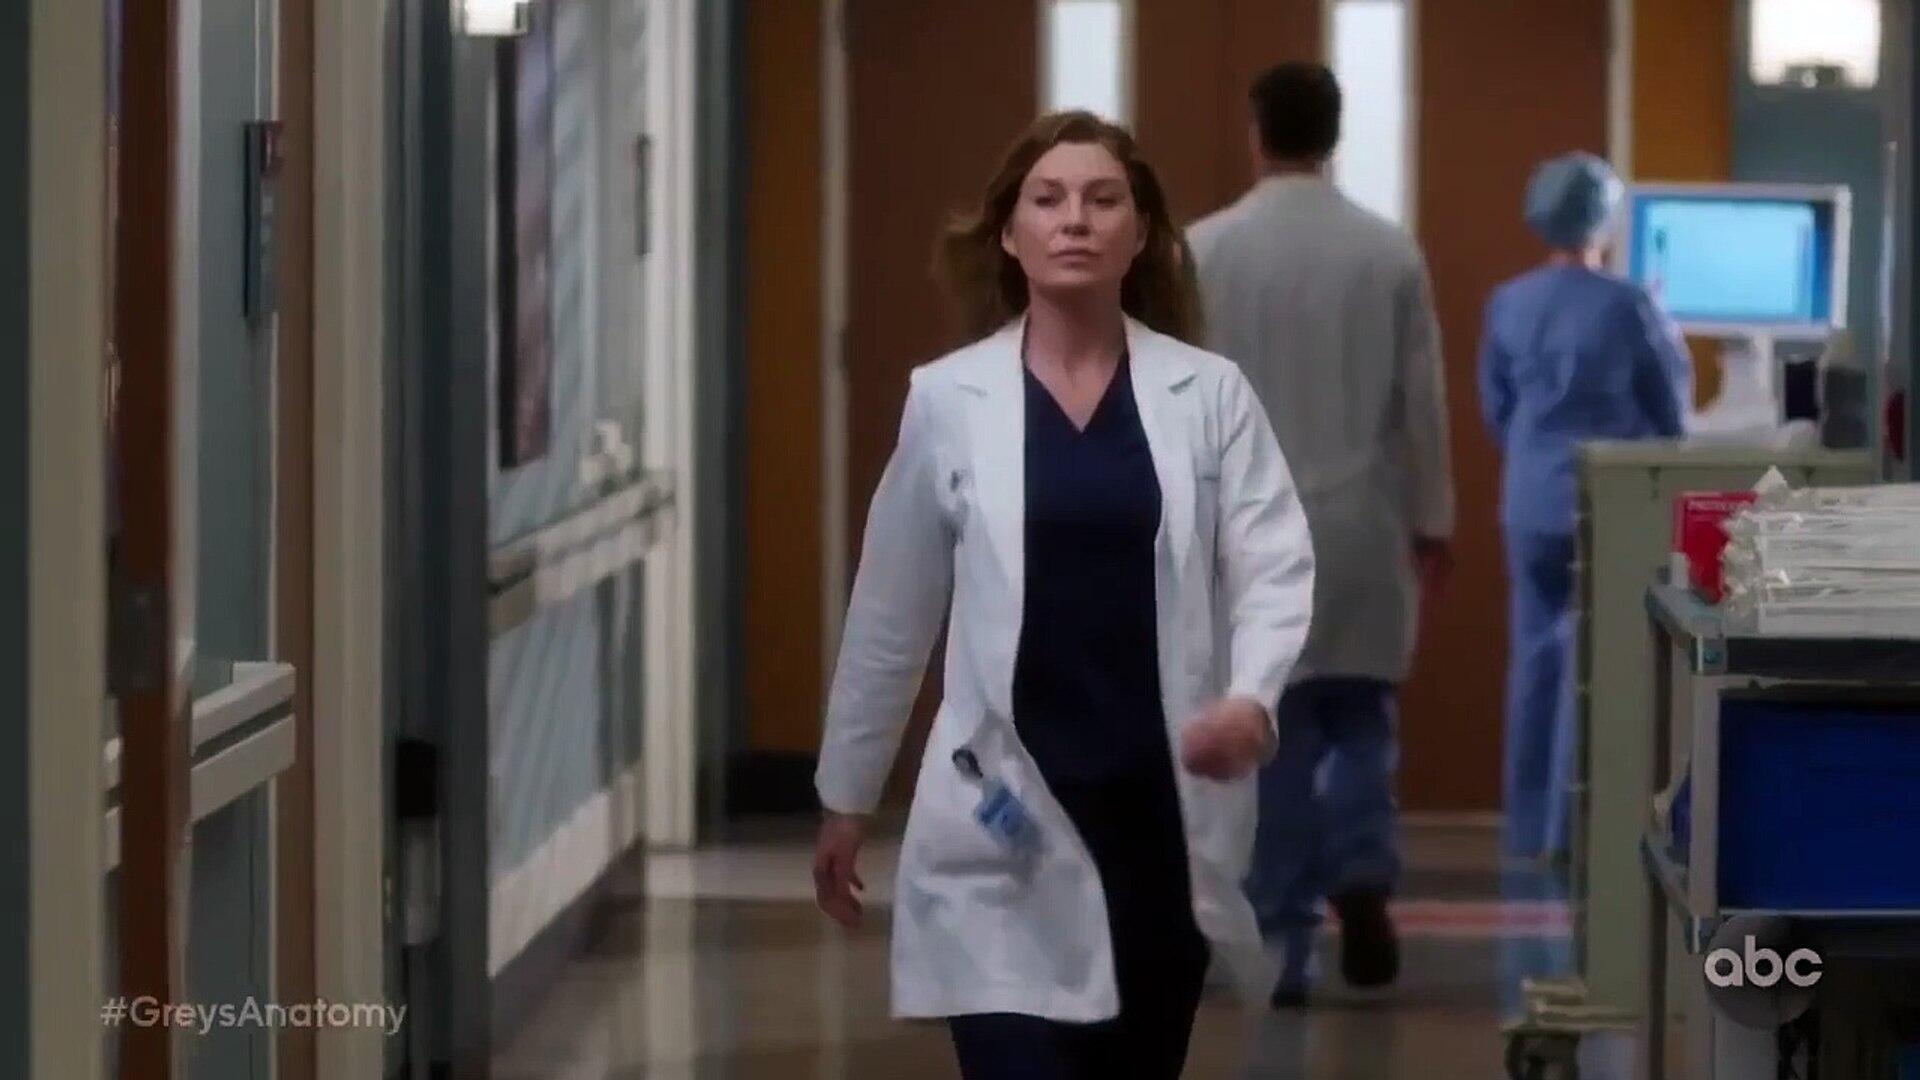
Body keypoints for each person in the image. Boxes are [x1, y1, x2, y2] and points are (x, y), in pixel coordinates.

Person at [811, 110, 1317, 1080]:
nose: (1075, 219)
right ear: (1009, 233)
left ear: (1142, 232)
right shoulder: (948, 400)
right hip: (1001, 814)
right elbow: (891, 613)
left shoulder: (1208, 394)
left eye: (1102, 200)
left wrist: (1251, 696)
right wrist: (846, 795)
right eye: (1047, 200)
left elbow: (1274, 563)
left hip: (1154, 822)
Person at [1186, 61, 1455, 1007]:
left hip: (1251, 531)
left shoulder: (1203, 251)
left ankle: (1286, 944)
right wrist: (1434, 521)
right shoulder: (1389, 253)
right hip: (1361, 527)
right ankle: (1364, 872)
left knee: (1277, 734)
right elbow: (1421, 405)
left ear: (1256, 129)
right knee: (1362, 718)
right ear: (1335, 135)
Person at [1478, 151, 1690, 862]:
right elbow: (1672, 417)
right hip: (1605, 501)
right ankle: (1571, 836)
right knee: (1593, 660)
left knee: (1535, 660)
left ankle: (1528, 830)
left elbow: (1498, 409)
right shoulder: (1630, 305)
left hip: (1531, 498)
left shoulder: (1509, 302)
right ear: (1607, 221)